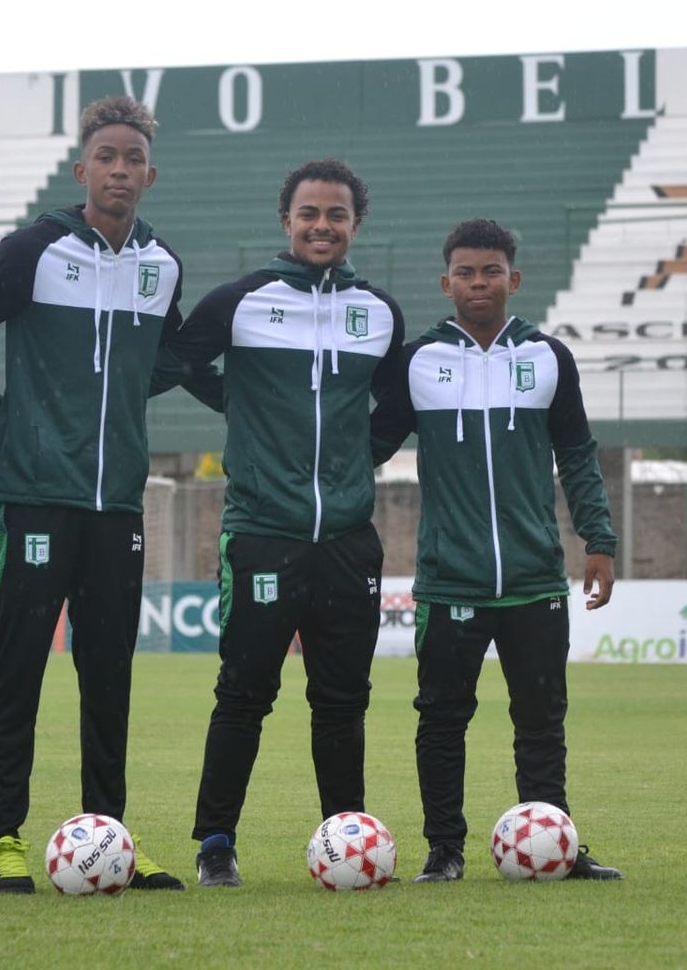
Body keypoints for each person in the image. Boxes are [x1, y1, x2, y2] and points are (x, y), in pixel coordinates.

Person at [0, 96, 202, 892]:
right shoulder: (34, 248)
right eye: (107, 156)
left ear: (151, 174)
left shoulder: (162, 263)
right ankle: (1, 839)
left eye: (134, 159)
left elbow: (171, 357)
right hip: (33, 495)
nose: (121, 171)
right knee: (16, 673)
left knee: (110, 679)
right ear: (82, 169)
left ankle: (109, 839)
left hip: (116, 507)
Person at [166, 159, 406, 887]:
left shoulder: (379, 312)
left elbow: (397, 407)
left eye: (336, 215)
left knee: (342, 702)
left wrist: (355, 461)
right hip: (263, 534)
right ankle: (215, 844)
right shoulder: (241, 301)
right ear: (286, 220)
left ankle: (348, 839)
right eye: (309, 214)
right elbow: (176, 361)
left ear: (355, 224)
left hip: (347, 540)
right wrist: (237, 405)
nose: (322, 226)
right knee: (244, 694)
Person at [369, 218, 623, 882]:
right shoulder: (417, 362)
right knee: (441, 720)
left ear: (513, 280)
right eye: (464, 272)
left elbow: (577, 455)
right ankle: (443, 850)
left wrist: (598, 539)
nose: (477, 283)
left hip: (536, 579)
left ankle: (555, 848)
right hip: (450, 582)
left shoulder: (547, 358)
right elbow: (363, 448)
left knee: (541, 723)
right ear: (445, 282)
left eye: (490, 272)